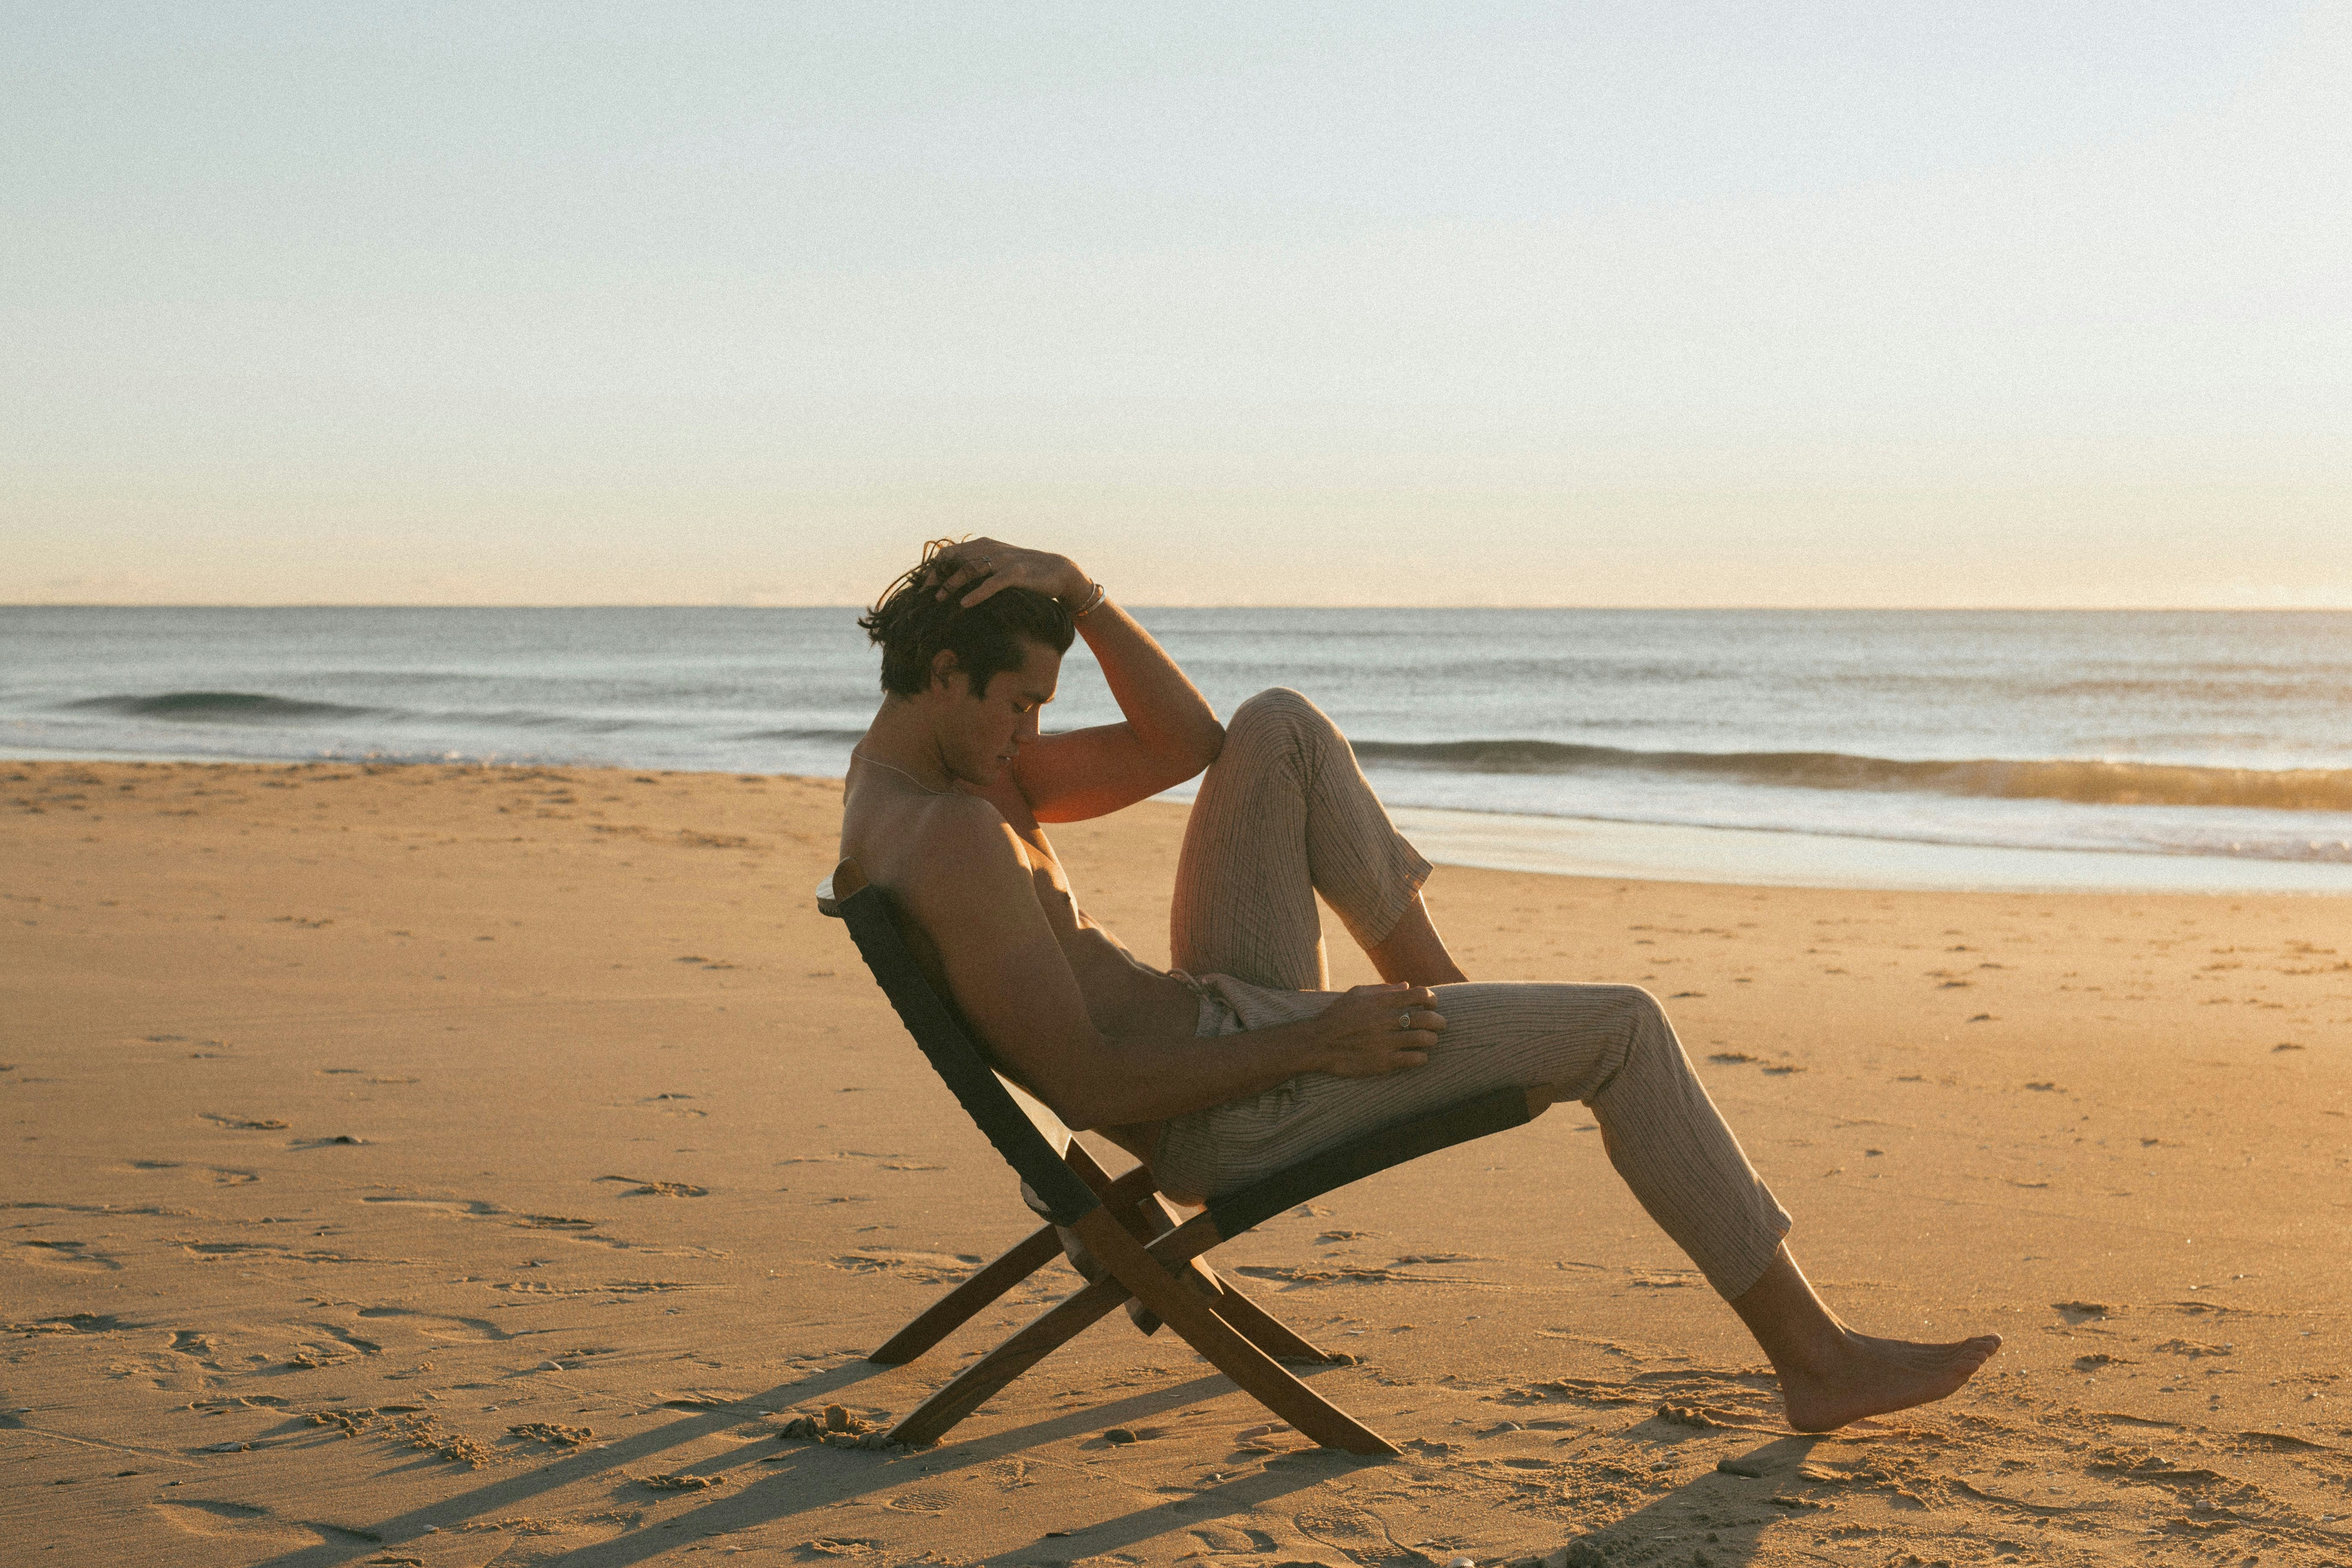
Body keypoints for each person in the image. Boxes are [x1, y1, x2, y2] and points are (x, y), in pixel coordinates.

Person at [838, 536, 1999, 1432]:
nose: (1031, 728)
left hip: (1221, 1034)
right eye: (1021, 704)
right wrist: (1324, 1040)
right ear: (949, 674)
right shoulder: (955, 832)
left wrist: (1083, 595)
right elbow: (1091, 1084)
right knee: (1625, 1031)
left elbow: (1188, 741)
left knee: (1275, 725)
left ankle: (1446, 1001)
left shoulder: (935, 777)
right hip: (1230, 1105)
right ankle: (1818, 1360)